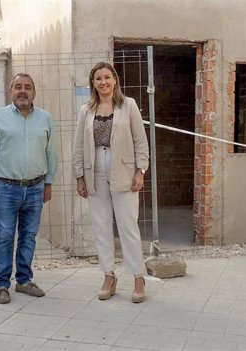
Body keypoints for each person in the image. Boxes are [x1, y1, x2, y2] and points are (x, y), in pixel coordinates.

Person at [72, 62, 149, 303]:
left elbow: (140, 141)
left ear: (114, 80)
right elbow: (78, 145)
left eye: (107, 77)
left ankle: (138, 277)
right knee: (101, 226)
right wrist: (79, 176)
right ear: (92, 83)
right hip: (94, 168)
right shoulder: (86, 110)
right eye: (98, 79)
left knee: (128, 225)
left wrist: (141, 171)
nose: (103, 82)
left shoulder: (128, 105)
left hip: (123, 170)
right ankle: (108, 276)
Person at [0, 73, 57, 304]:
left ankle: (23, 281)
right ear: (11, 90)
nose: (23, 91)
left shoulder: (45, 118)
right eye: (18, 87)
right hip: (5, 187)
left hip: (36, 187)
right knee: (3, 237)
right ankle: (2, 284)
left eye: (28, 87)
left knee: (29, 237)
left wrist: (49, 182)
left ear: (34, 92)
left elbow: (50, 152)